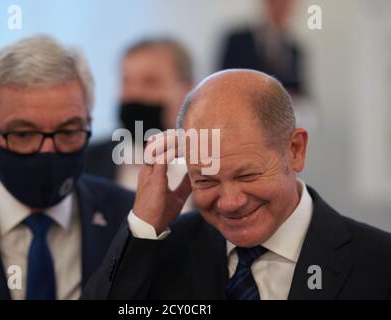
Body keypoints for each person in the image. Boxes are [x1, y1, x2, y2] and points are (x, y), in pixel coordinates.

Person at [82, 69, 391, 300]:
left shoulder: (378, 262)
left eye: (247, 176)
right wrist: (144, 225)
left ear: (295, 150)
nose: (229, 202)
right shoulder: (160, 253)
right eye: (206, 180)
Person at [0, 35, 134, 300]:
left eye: (68, 131)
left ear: (88, 123)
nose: (47, 150)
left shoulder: (128, 218)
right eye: (23, 134)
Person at [85, 38, 194, 210]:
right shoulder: (87, 163)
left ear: (186, 91)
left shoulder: (211, 162)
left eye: (150, 82)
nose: (134, 94)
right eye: (126, 82)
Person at [219, 0, 303, 95]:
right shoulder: (237, 40)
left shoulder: (294, 50)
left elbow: (299, 90)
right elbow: (224, 82)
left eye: (287, 4)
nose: (282, 8)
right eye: (278, 3)